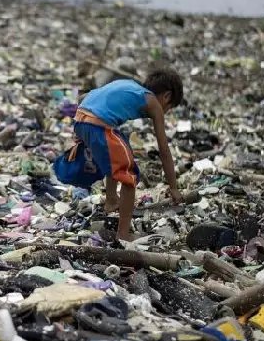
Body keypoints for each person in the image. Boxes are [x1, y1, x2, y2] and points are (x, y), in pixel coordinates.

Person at [53, 67, 184, 241]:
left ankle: (111, 201)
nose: (166, 111)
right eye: (169, 107)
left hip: (81, 119)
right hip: (98, 124)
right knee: (129, 175)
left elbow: (85, 97)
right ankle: (123, 234)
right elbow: (164, 150)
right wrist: (174, 187)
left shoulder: (130, 86)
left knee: (118, 153)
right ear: (166, 96)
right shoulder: (153, 103)